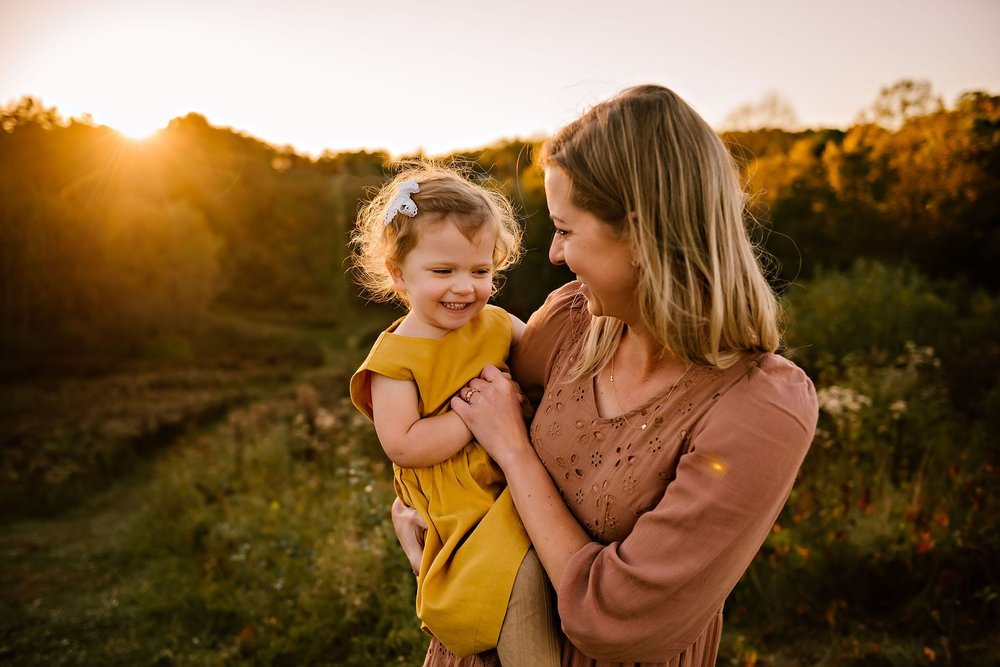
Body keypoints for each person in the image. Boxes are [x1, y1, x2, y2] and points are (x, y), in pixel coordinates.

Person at [392, 85, 819, 666]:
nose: (554, 254)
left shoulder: (760, 408)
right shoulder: (569, 324)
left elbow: (613, 620)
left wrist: (515, 453)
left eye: (566, 230)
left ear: (641, 234)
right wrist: (427, 521)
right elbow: (449, 400)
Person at [349, 164, 561, 665]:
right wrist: (474, 415)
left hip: (511, 476)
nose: (464, 288)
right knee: (517, 582)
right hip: (460, 503)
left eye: (480, 271)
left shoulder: (495, 324)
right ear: (399, 274)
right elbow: (403, 444)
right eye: (443, 272)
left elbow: (542, 364)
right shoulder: (395, 361)